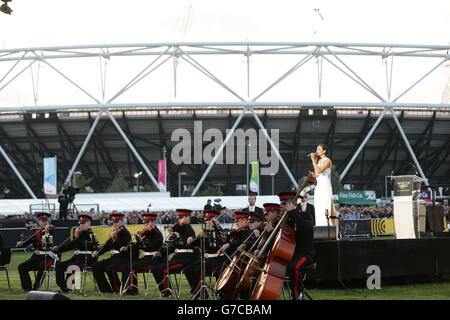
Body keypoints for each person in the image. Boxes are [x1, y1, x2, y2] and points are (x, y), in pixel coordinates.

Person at [278, 192, 315, 300]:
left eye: (283, 204)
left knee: (295, 267)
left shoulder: (305, 215)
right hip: (290, 254)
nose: (281, 207)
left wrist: (293, 212)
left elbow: (305, 227)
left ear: (290, 204)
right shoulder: (285, 220)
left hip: (305, 254)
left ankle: (296, 295)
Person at [152, 209, 197, 297]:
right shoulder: (178, 230)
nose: (179, 220)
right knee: (155, 268)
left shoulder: (189, 229)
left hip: (185, 258)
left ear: (188, 217)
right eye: (178, 218)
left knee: (163, 269)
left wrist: (174, 235)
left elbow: (185, 242)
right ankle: (164, 290)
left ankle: (168, 293)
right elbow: (172, 246)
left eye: (181, 217)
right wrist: (161, 252)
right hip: (177, 257)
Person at [183, 209, 226, 297]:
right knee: (187, 269)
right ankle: (200, 292)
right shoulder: (206, 231)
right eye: (207, 220)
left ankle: (199, 294)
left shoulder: (221, 231)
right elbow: (193, 243)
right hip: (207, 259)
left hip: (218, 259)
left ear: (216, 219)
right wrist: (194, 238)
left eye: (210, 220)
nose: (208, 222)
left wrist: (215, 231)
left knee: (198, 269)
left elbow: (220, 244)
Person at [52, 214, 99, 293]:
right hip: (77, 258)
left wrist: (77, 237)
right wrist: (57, 249)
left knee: (72, 266)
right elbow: (70, 246)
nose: (81, 225)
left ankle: (69, 287)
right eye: (80, 223)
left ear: (89, 224)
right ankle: (63, 287)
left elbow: (91, 246)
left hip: (87, 259)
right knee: (59, 265)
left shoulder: (90, 234)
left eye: (84, 223)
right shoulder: (79, 234)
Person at [121, 212, 163, 295]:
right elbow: (138, 245)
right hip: (147, 258)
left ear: (153, 222)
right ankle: (126, 289)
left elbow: (149, 247)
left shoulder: (156, 233)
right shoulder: (148, 233)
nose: (146, 225)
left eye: (148, 223)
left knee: (131, 267)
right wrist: (128, 247)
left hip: (153, 259)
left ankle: (132, 290)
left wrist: (140, 242)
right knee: (127, 266)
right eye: (145, 223)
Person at [91, 213, 132, 293]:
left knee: (109, 269)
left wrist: (114, 239)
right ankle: (105, 289)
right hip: (113, 258)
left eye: (116, 222)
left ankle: (117, 289)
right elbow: (106, 246)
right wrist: (98, 252)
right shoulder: (114, 232)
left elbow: (122, 248)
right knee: (96, 266)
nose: (114, 224)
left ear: (121, 222)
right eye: (113, 222)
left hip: (122, 258)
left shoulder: (125, 233)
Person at [17, 212, 57, 291]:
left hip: (47, 257)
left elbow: (48, 240)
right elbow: (27, 242)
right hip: (36, 257)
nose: (44, 222)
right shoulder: (36, 232)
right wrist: (21, 244)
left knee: (42, 266)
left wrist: (46, 231)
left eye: (46, 221)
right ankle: (27, 287)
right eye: (42, 220)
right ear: (39, 221)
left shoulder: (51, 231)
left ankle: (36, 287)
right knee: (21, 267)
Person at [309, 144, 337, 226]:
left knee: (326, 205)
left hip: (325, 186)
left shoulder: (327, 160)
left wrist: (313, 160)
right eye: (317, 149)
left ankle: (329, 226)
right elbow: (317, 174)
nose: (317, 151)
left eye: (319, 149)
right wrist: (313, 175)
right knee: (318, 206)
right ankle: (320, 226)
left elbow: (318, 171)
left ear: (324, 151)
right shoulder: (319, 161)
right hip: (318, 186)